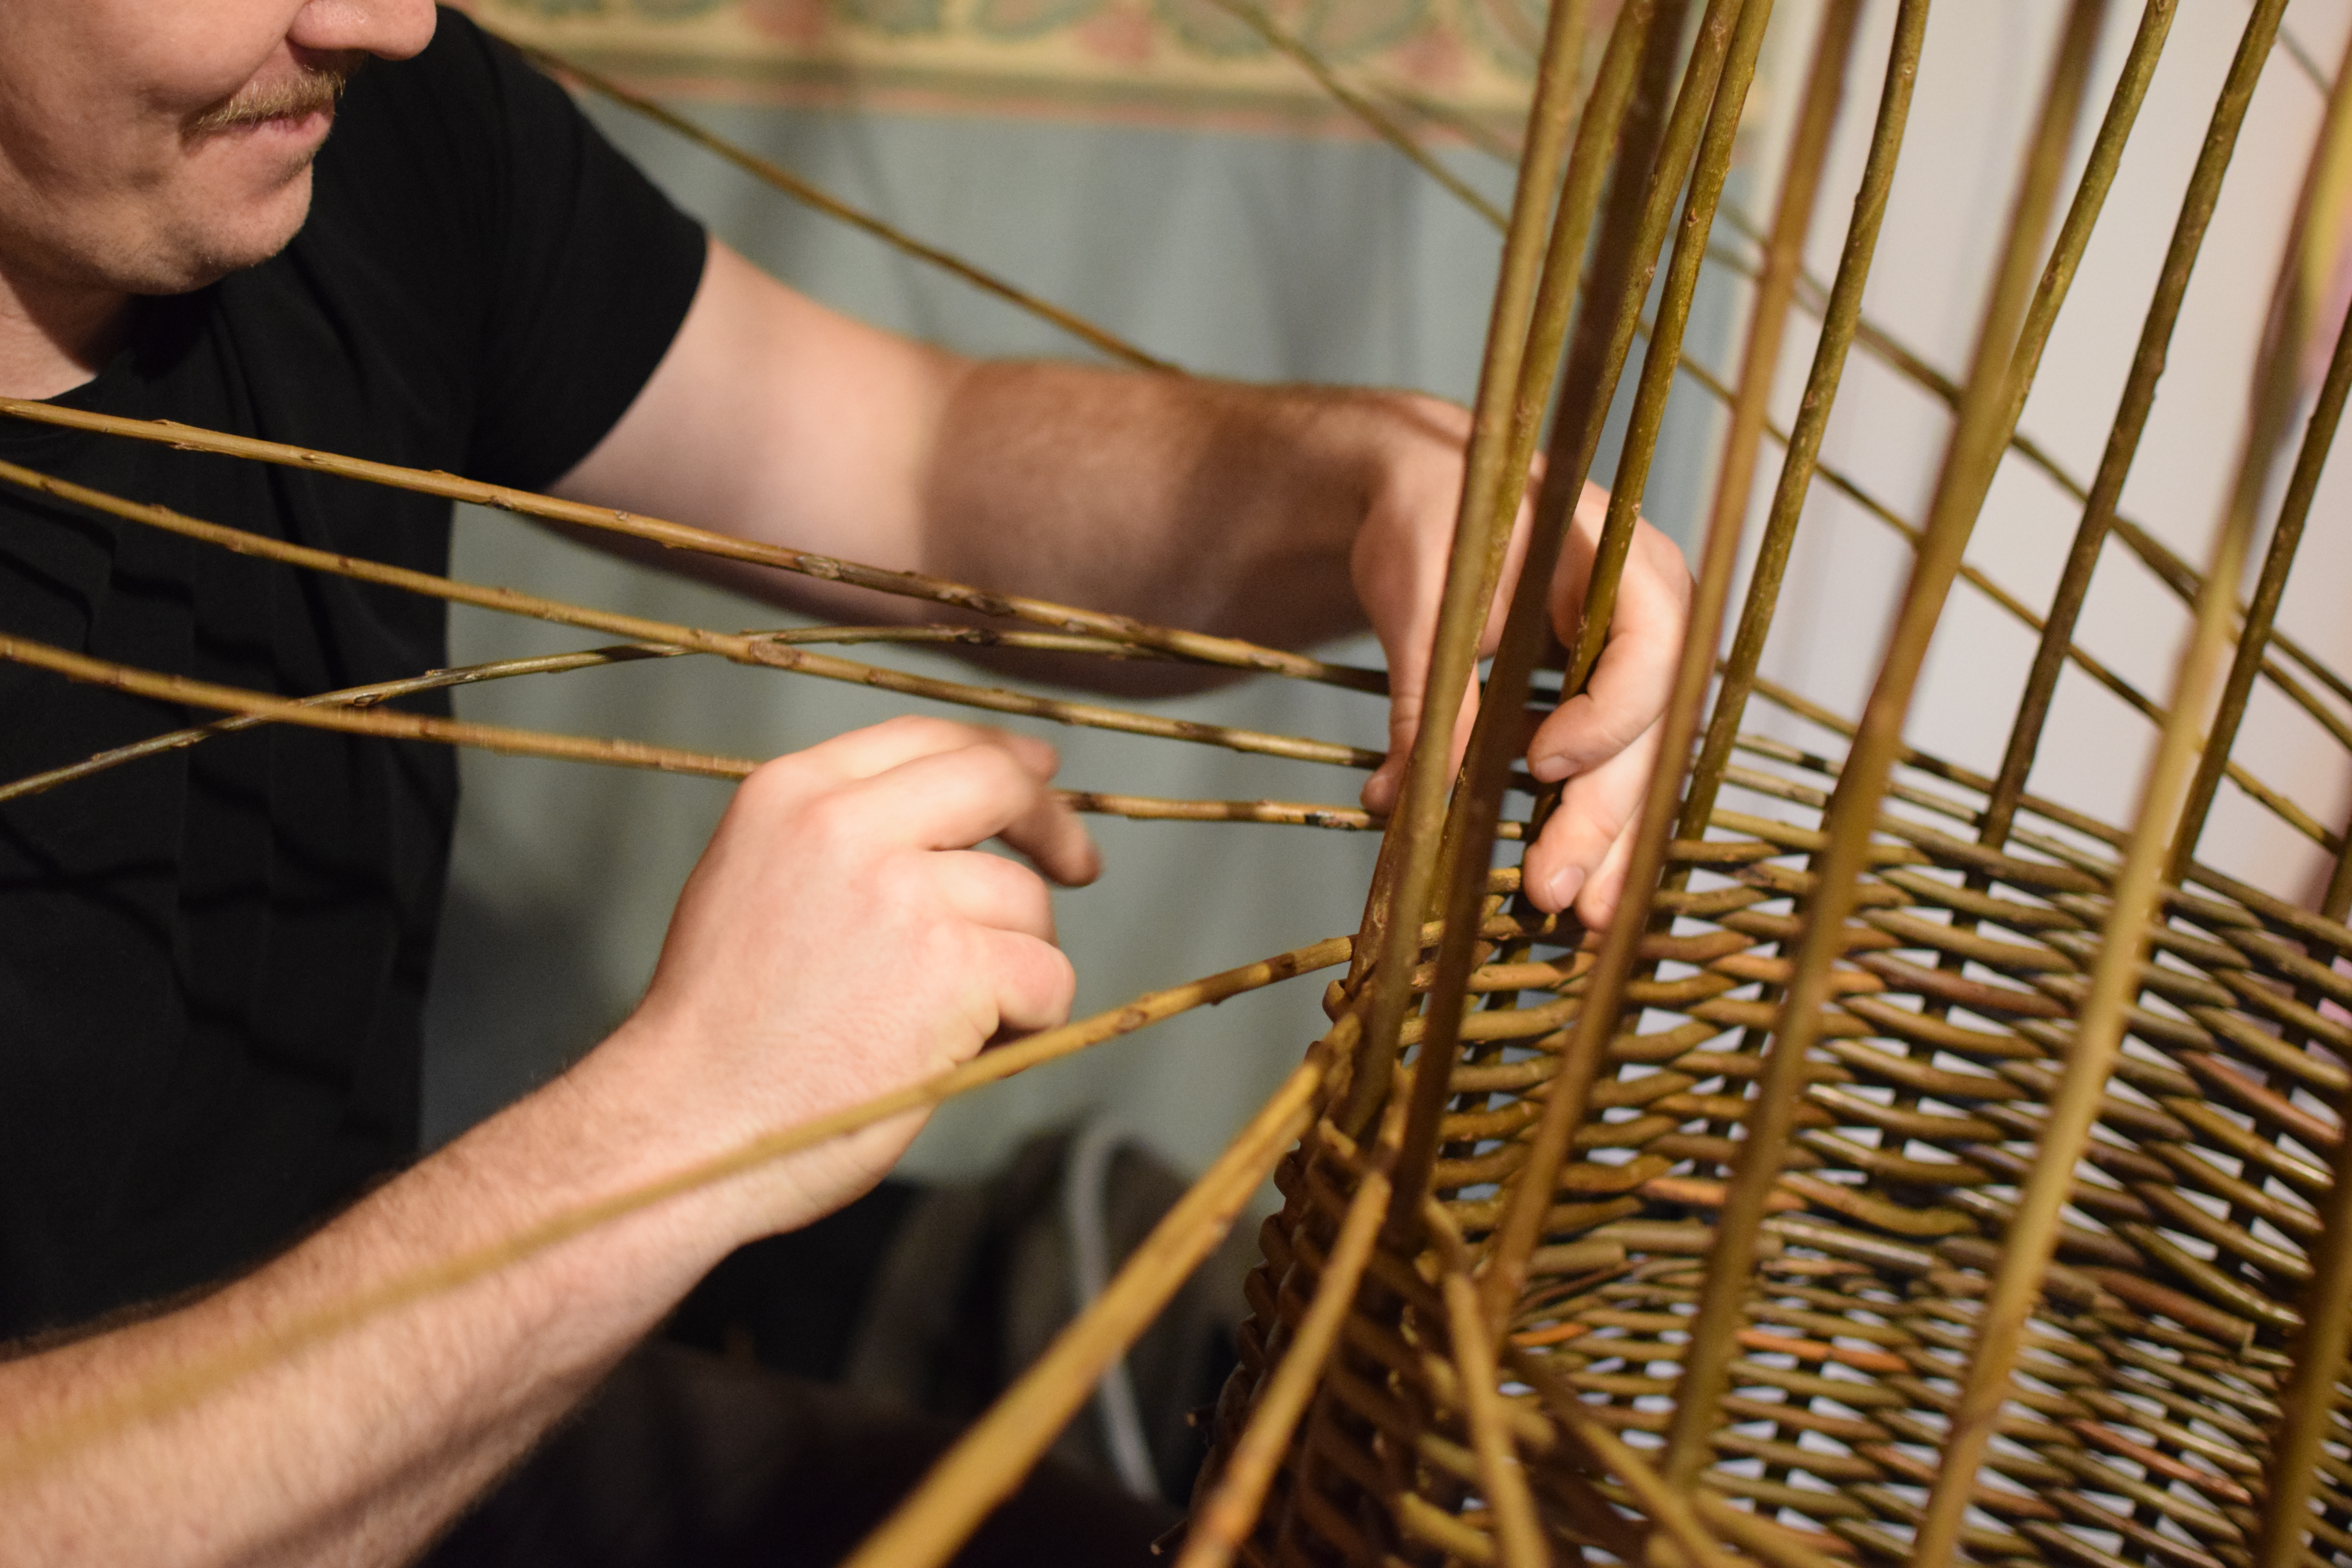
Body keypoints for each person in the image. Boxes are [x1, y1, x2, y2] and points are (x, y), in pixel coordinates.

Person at [0, 1, 1691, 1563]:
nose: (383, 18)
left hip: (425, 1423)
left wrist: (1373, 486)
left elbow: (921, 465)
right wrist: (670, 1127)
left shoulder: (352, 145)